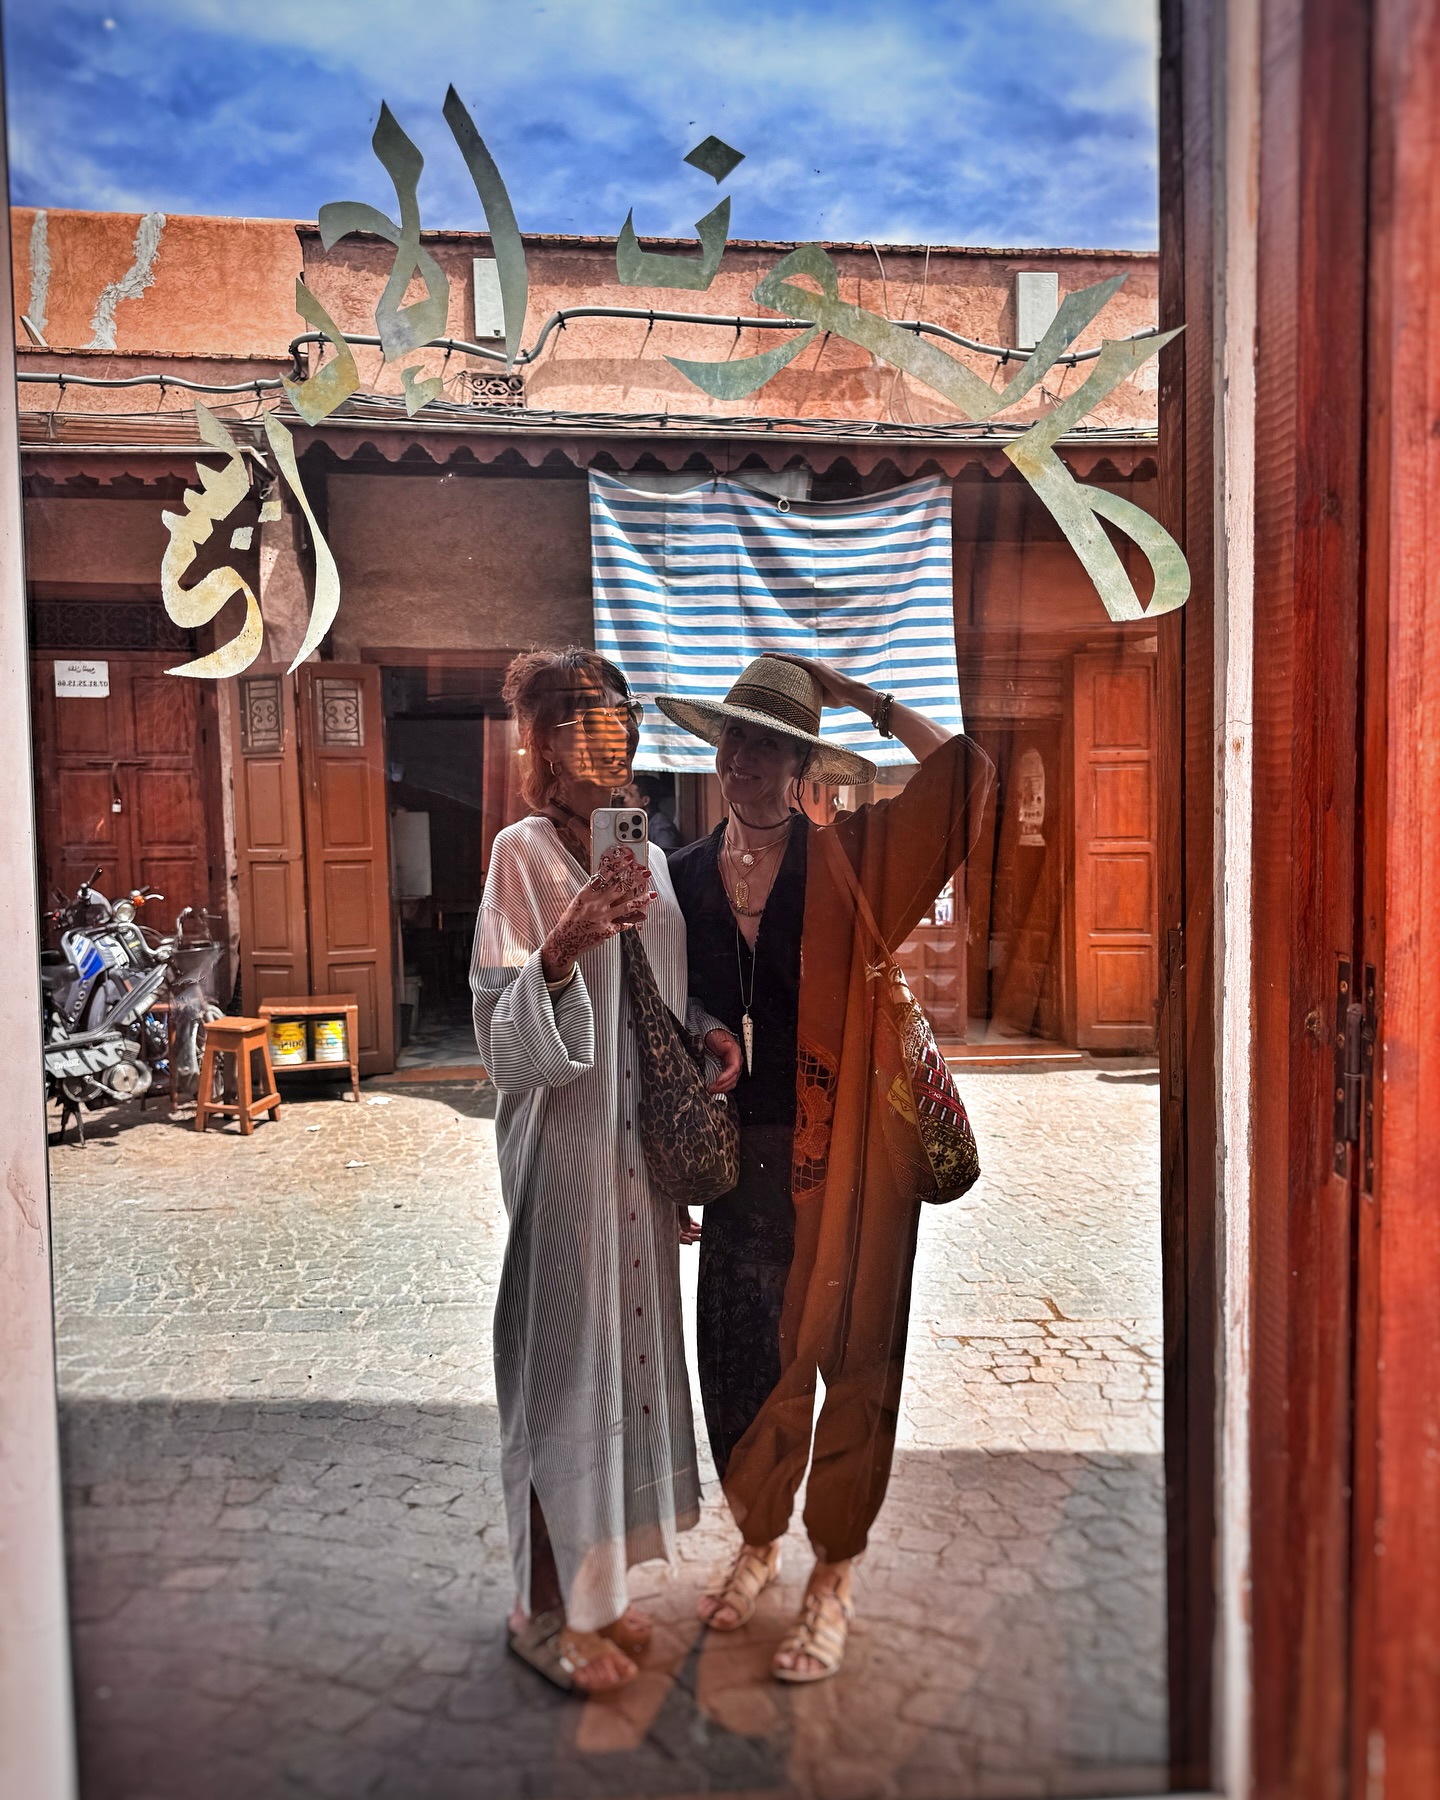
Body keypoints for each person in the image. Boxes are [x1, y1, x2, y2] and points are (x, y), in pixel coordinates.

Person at [662, 653, 991, 1684]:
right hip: (739, 1171)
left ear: (802, 761)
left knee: (855, 1363)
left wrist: (866, 700)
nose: (742, 759)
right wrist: (672, 1157)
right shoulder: (677, 878)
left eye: (766, 742)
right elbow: (666, 1025)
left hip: (855, 1167)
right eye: (732, 738)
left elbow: (969, 777)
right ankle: (761, 1538)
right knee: (741, 1364)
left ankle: (833, 1576)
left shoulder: (854, 860)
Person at [471, 647, 742, 1694]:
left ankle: (600, 1600)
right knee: (559, 1380)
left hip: (637, 1169)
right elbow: (500, 1035)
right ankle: (541, 1615)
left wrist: (710, 1031)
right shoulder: (522, 855)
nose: (602, 743)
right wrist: (562, 938)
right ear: (539, 745)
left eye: (614, 723)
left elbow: (655, 1006)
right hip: (567, 1162)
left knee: (624, 1377)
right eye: (577, 726)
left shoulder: (654, 857)